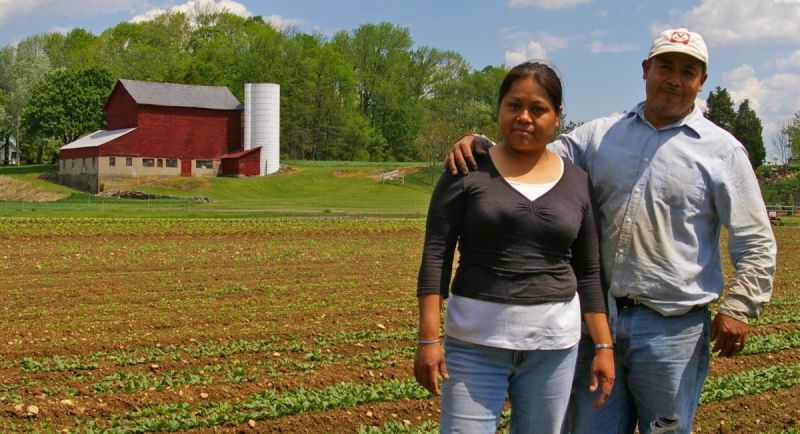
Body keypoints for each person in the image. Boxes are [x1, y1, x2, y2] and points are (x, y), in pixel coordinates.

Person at [445, 29, 777, 434]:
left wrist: (739, 305)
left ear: (701, 81)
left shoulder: (722, 150)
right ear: (645, 70)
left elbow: (756, 239)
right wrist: (480, 143)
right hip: (596, 320)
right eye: (665, 66)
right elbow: (531, 148)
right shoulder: (601, 135)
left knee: (665, 430)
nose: (674, 78)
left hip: (672, 328)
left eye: (687, 71)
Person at [414, 61, 615, 433]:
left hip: (553, 350)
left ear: (557, 118)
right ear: (499, 109)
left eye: (538, 109)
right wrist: (428, 338)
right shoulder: (467, 168)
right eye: (513, 106)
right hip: (474, 345)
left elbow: (588, 272)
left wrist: (603, 347)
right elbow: (436, 255)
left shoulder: (576, 182)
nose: (524, 117)